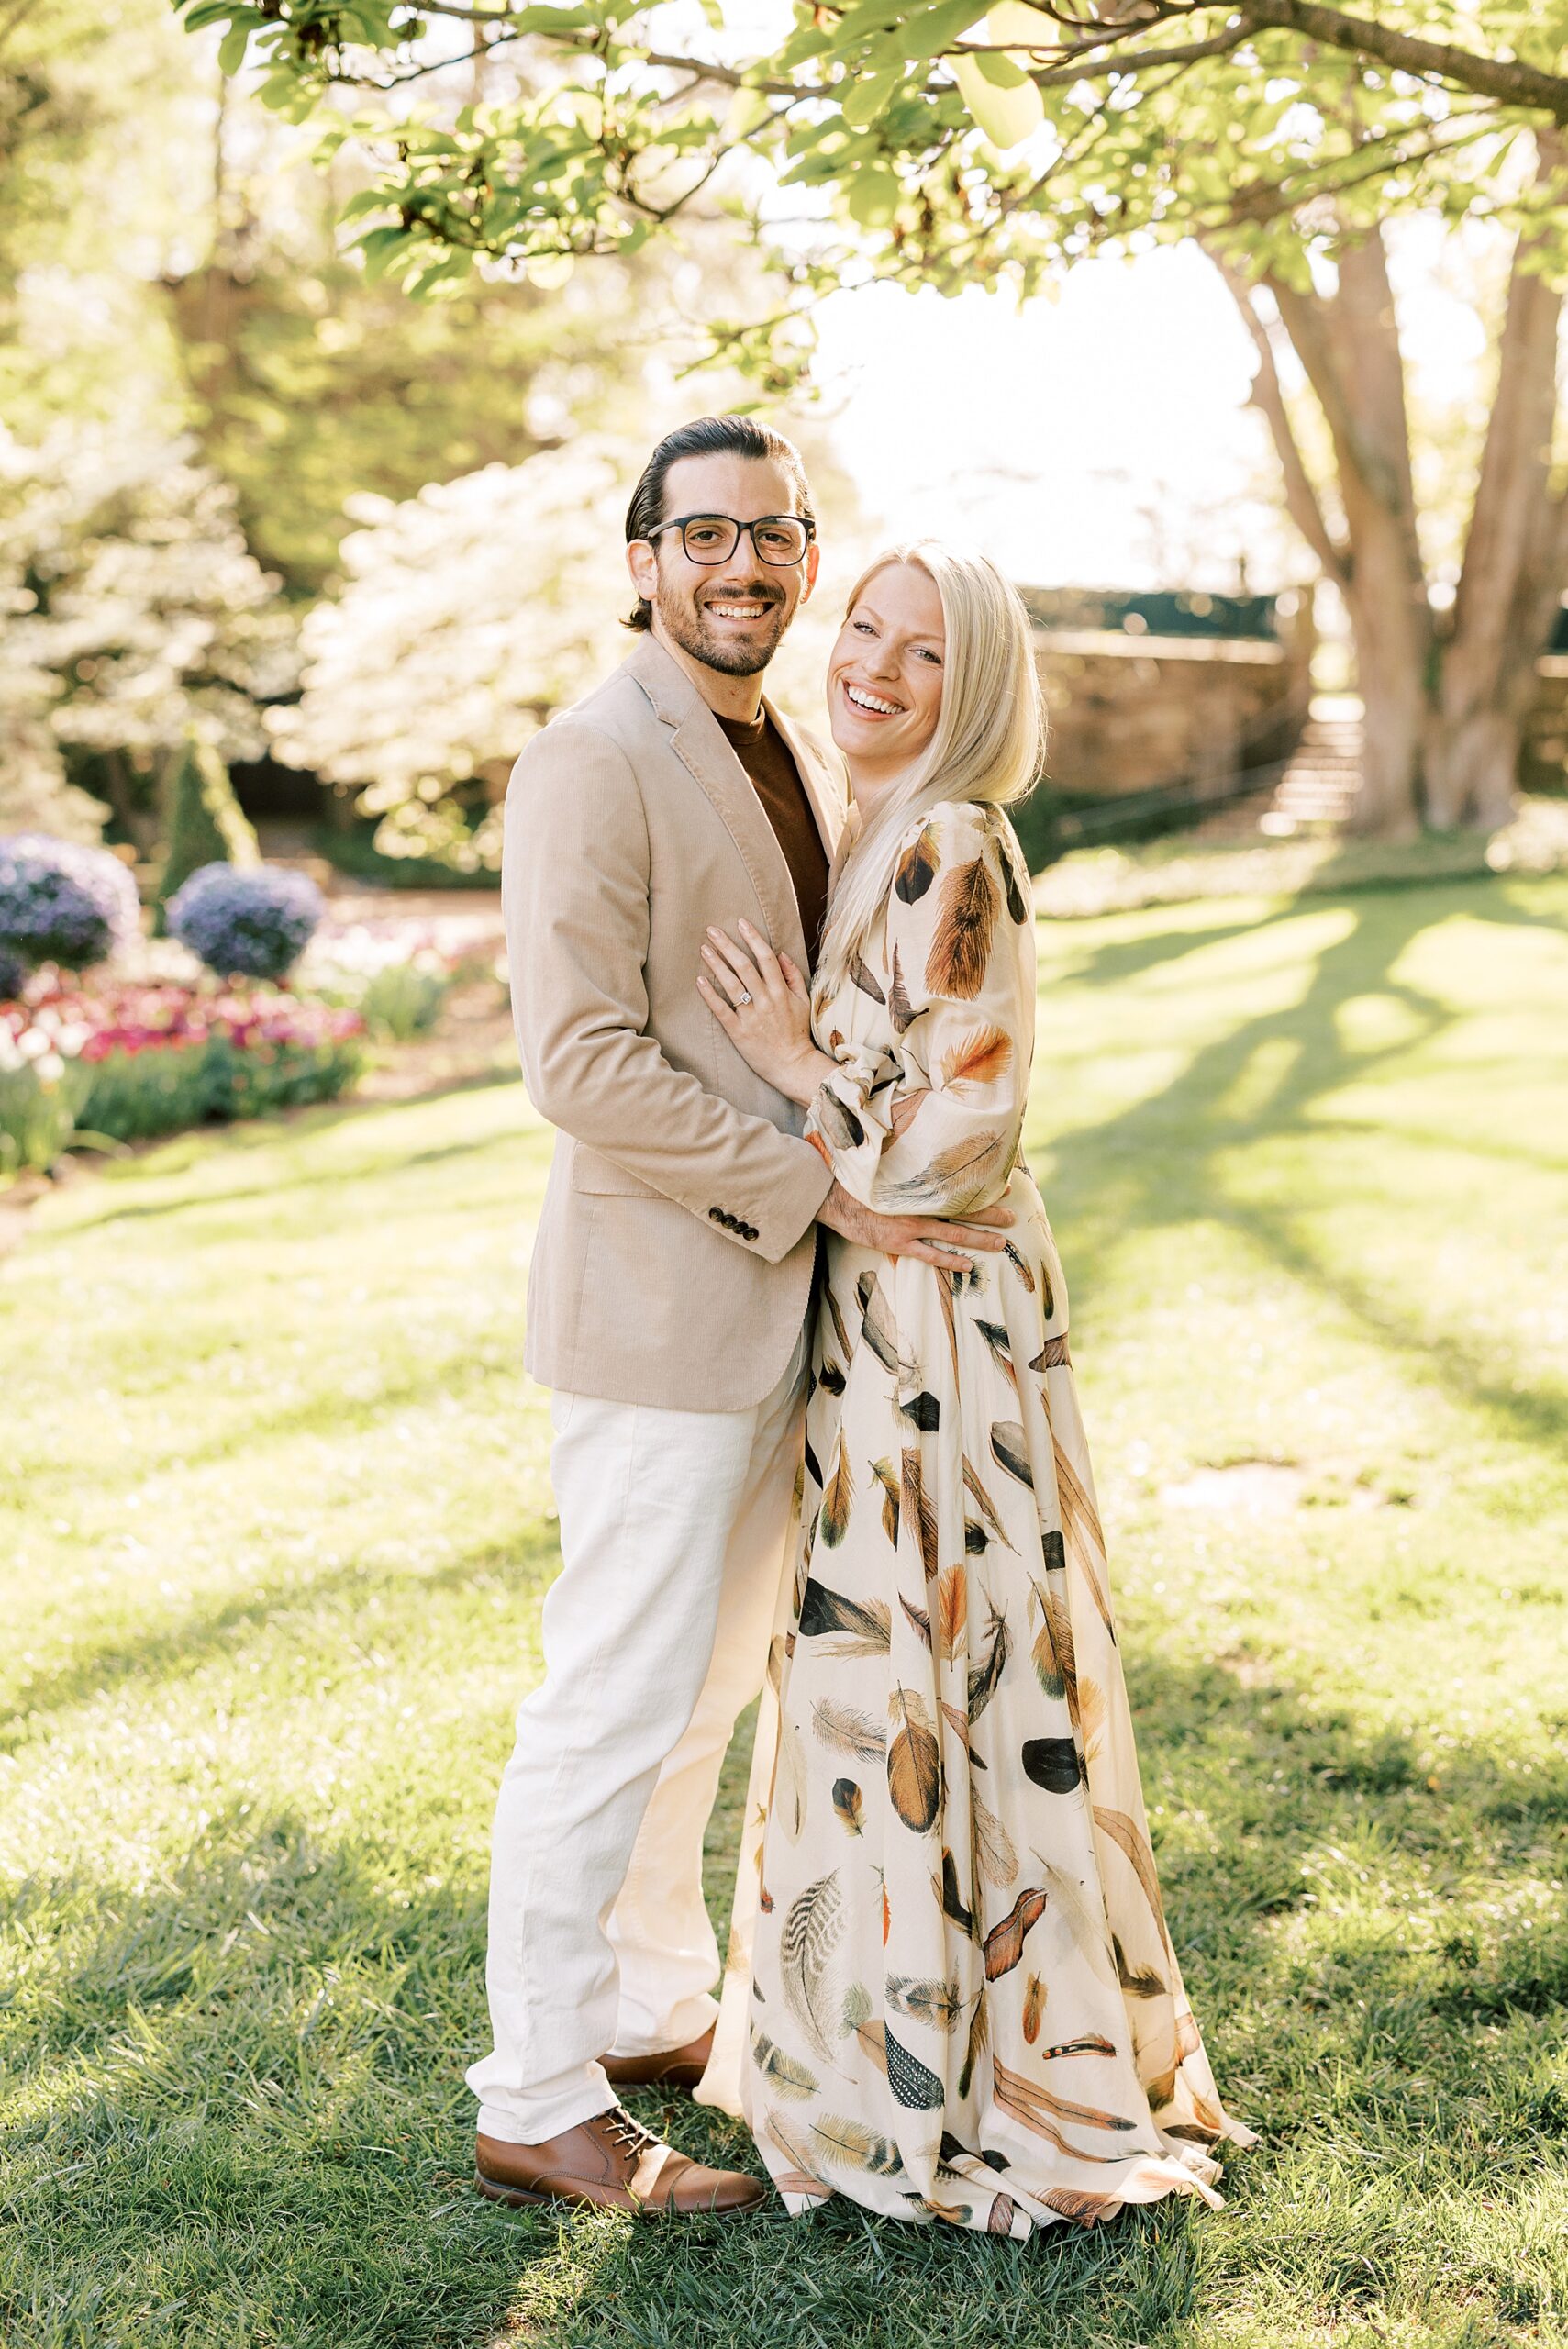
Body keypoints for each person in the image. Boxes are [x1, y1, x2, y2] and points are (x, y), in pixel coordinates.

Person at [469, 423, 1015, 2218]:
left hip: (778, 1328)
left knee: (696, 1700)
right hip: (660, 1319)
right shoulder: (592, 759)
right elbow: (582, 1063)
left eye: (776, 535)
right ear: (641, 556)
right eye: (705, 534)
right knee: (608, 1704)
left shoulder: (775, 737)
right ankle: (537, 2091)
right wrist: (816, 1188)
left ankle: (649, 2000)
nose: (747, 566)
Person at [692, 542, 1259, 2235]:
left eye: (921, 651)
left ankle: (966, 2072)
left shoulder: (947, 842)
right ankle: (889, 2048)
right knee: (895, 1676)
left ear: (974, 690)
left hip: (936, 1326)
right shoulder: (869, 831)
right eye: (861, 625)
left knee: (933, 1667)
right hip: (886, 1317)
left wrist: (804, 1072)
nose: (869, 663)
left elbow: (962, 1138)